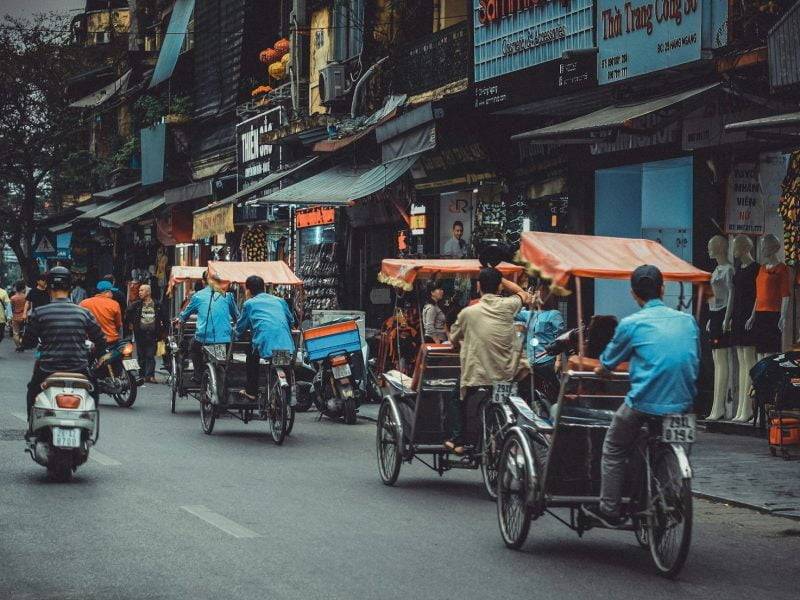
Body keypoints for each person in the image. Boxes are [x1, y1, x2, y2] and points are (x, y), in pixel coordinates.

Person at [582, 265, 700, 528]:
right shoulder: (687, 321)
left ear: (634, 294)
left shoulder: (631, 324)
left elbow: (607, 363)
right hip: (684, 404)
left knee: (613, 446)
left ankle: (609, 508)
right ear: (663, 289)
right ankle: (673, 496)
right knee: (676, 447)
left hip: (643, 402)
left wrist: (602, 371)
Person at [447, 267, 532, 453]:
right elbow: (523, 294)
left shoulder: (468, 313)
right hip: (507, 372)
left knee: (455, 396)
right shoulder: (509, 305)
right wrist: (503, 282)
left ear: (478, 286)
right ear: (500, 287)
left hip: (479, 375)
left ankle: (458, 440)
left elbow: (453, 339)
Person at [22, 267, 106, 420]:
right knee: (94, 391)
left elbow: (28, 341)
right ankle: (88, 432)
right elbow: (100, 339)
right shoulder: (83, 313)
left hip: (48, 369)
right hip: (79, 368)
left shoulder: (40, 313)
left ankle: (32, 427)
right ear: (70, 288)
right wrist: (96, 355)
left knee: (32, 391)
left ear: (49, 287)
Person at [235, 275, 295, 401]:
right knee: (284, 365)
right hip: (285, 343)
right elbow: (291, 321)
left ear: (249, 290)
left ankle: (251, 391)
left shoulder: (249, 304)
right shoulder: (280, 301)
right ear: (264, 288)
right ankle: (288, 398)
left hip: (264, 344)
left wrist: (235, 335)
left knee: (251, 356)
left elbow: (240, 328)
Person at [178, 271, 239, 383]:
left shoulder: (198, 296)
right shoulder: (227, 296)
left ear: (203, 282)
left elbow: (184, 315)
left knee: (193, 348)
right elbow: (237, 317)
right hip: (225, 339)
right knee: (226, 357)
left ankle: (198, 375)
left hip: (204, 338)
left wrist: (180, 319)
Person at [515, 281, 565, 387]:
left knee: (550, 389)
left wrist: (558, 360)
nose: (534, 295)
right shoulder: (527, 314)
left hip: (546, 360)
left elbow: (560, 339)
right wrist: (525, 298)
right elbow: (512, 312)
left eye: (537, 292)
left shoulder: (554, 314)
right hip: (530, 362)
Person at [126, 284, 164, 383]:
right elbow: (128, 313)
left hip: (153, 334)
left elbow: (165, 318)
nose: (139, 292)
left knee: (150, 355)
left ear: (148, 292)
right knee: (141, 355)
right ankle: (142, 375)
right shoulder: (137, 304)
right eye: (139, 290)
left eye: (142, 290)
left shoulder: (157, 304)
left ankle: (150, 375)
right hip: (140, 334)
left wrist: (164, 332)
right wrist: (132, 323)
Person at [10, 281, 27, 351]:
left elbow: (11, 307)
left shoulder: (13, 298)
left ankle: (18, 346)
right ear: (23, 289)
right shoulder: (26, 297)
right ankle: (21, 343)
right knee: (23, 332)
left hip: (15, 316)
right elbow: (28, 307)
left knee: (15, 333)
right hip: (24, 316)